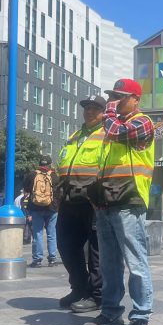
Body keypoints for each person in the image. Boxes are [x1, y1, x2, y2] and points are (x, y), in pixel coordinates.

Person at [84, 79, 155, 325]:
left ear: (136, 99)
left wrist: (110, 112)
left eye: (120, 96)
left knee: (135, 260)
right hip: (106, 200)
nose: (114, 99)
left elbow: (117, 131)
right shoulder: (110, 127)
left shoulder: (141, 121)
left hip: (130, 198)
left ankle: (141, 314)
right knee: (109, 262)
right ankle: (111, 311)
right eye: (112, 95)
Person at [55, 95, 106, 313]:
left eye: (95, 108)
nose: (89, 112)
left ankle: (96, 295)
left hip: (92, 200)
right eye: (87, 108)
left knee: (96, 251)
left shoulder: (107, 134)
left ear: (103, 112)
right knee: (66, 245)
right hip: (69, 199)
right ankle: (79, 287)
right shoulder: (76, 136)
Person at [23, 156, 60, 267]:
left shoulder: (32, 175)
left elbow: (26, 188)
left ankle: (37, 259)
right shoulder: (54, 176)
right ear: (50, 165)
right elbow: (59, 191)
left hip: (35, 207)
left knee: (37, 234)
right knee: (51, 234)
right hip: (52, 208)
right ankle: (52, 259)